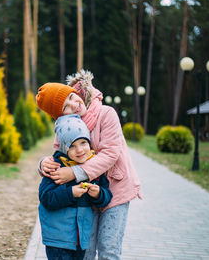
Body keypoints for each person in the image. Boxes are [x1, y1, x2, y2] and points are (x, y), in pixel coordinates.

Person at [36, 70, 142, 260]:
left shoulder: (106, 113)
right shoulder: (64, 127)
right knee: (86, 252)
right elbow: (59, 157)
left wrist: (74, 173)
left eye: (71, 97)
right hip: (86, 197)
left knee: (109, 250)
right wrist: (43, 164)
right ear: (60, 116)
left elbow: (110, 153)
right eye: (66, 107)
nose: (74, 105)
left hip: (116, 189)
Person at [39, 114, 113, 260]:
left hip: (81, 240)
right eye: (72, 146)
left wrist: (98, 194)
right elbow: (46, 198)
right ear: (64, 148)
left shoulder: (93, 167)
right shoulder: (56, 166)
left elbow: (107, 196)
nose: (79, 150)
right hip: (58, 239)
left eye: (83, 143)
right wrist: (70, 192)